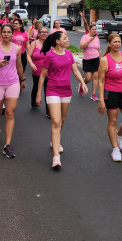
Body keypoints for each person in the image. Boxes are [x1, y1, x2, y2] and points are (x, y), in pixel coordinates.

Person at [36, 31, 88, 168]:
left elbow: (75, 71)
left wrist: (82, 82)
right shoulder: (49, 56)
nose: (67, 40)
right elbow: (42, 76)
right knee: (56, 121)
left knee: (62, 120)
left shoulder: (69, 54)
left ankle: (55, 141)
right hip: (52, 90)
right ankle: (56, 157)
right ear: (57, 41)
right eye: (65, 38)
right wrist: (38, 94)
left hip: (66, 91)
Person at [0, 24, 26, 158]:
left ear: (12, 34)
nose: (6, 34)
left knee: (9, 113)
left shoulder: (17, 48)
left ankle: (7, 145)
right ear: (0, 33)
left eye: (9, 32)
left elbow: (19, 65)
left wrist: (23, 79)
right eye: (4, 32)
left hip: (13, 83)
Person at [98, 34, 122, 162]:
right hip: (111, 93)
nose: (117, 44)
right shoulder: (105, 60)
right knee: (112, 121)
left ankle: (119, 135)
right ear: (109, 44)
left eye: (119, 42)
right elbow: (101, 81)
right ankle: (115, 149)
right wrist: (101, 100)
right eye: (115, 42)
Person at [27, 26, 50, 116]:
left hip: (48, 71)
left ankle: (48, 111)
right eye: (42, 32)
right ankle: (34, 104)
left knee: (47, 90)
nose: (44, 34)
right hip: (37, 70)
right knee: (36, 87)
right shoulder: (34, 43)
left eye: (46, 32)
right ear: (39, 34)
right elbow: (28, 55)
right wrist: (31, 64)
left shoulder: (50, 44)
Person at [79, 24, 101, 101]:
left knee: (95, 77)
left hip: (96, 59)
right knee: (88, 78)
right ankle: (82, 84)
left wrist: (100, 61)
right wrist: (89, 40)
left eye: (96, 29)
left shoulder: (97, 39)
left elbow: (98, 50)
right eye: (93, 29)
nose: (95, 31)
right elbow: (81, 47)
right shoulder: (85, 37)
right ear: (90, 30)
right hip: (87, 60)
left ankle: (93, 94)